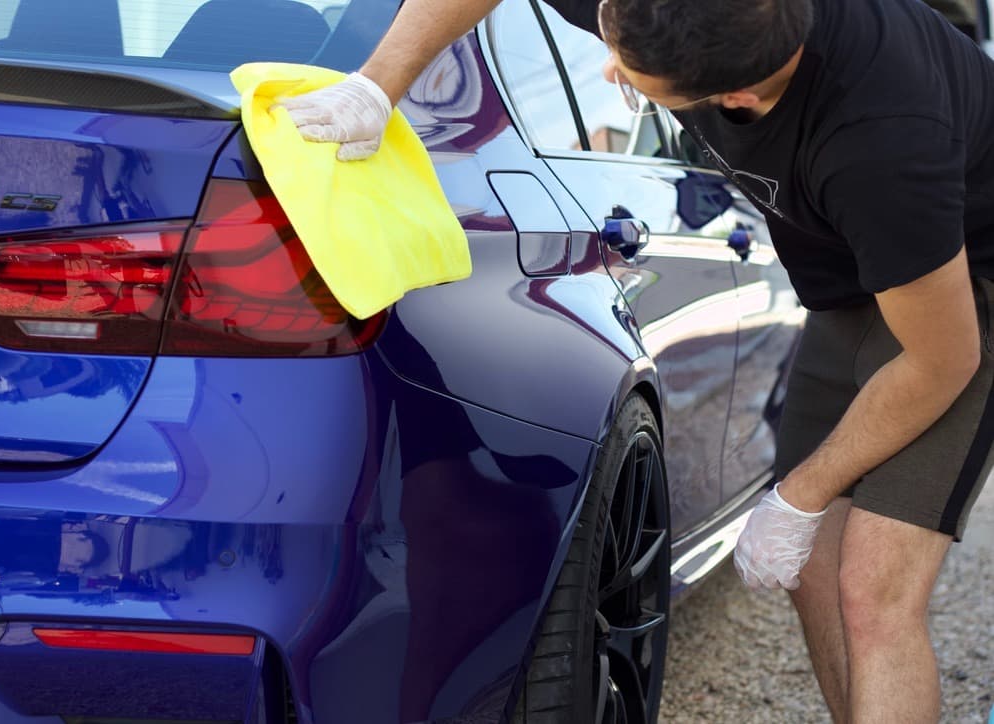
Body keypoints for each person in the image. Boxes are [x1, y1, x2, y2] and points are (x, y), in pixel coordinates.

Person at [280, 0, 994, 721]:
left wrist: (800, 494)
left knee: (872, 589)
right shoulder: (680, 11)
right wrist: (377, 84)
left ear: (737, 97)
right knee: (812, 567)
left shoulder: (883, 143)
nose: (609, 68)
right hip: (854, 278)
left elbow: (942, 359)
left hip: (964, 290)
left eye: (632, 73)